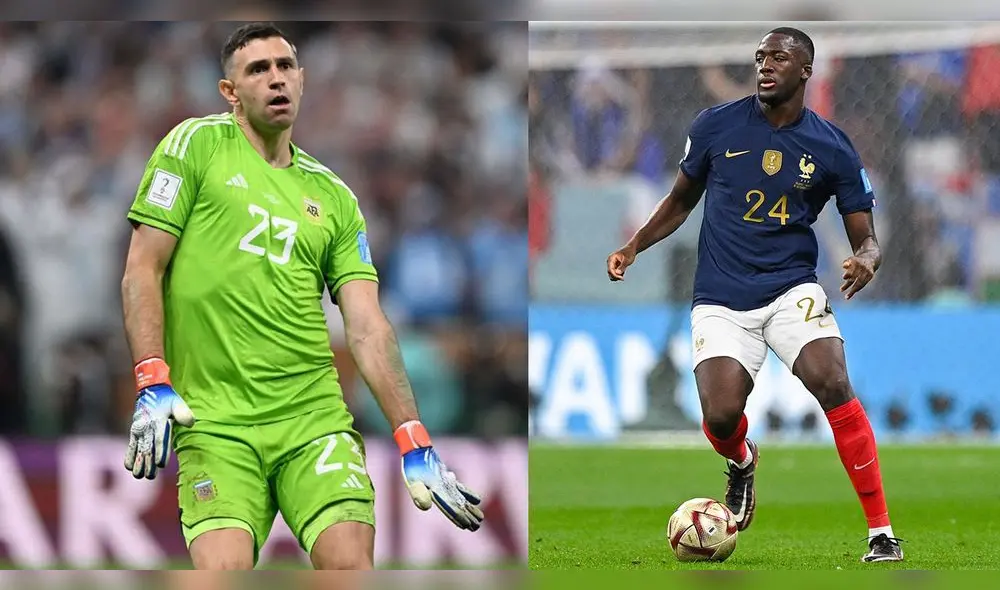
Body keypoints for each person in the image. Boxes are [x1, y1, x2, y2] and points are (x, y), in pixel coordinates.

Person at [120, 22, 483, 570]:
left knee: (349, 567)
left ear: (303, 79)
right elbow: (141, 269)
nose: (275, 79)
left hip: (314, 420)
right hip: (215, 421)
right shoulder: (194, 145)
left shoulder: (334, 197)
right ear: (230, 91)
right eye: (258, 70)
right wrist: (151, 377)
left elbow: (366, 326)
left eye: (285, 67)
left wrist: (413, 436)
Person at [606, 27, 902, 563]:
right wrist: (633, 246)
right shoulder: (715, 126)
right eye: (761, 56)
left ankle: (881, 532)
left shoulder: (831, 145)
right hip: (720, 296)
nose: (766, 65)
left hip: (792, 288)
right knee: (720, 416)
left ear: (806, 70)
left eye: (779, 58)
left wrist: (866, 259)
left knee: (833, 381)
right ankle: (742, 460)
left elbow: (867, 236)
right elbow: (679, 201)